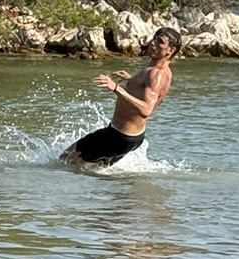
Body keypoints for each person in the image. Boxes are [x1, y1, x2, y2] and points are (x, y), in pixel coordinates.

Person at [61, 27, 182, 168]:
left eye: (160, 42)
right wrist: (132, 80)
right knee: (92, 170)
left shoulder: (157, 74)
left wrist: (115, 88)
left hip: (119, 137)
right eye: (154, 38)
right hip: (128, 136)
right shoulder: (162, 72)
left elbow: (147, 109)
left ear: (170, 50)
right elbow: (150, 91)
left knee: (66, 159)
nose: (153, 43)